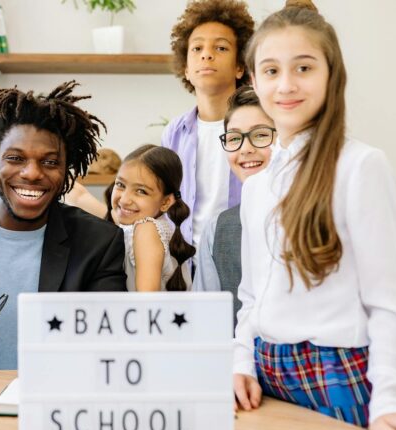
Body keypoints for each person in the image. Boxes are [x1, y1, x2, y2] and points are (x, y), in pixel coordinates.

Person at [231, 2, 396, 430]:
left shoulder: (360, 166)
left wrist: (391, 399)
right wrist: (240, 361)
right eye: (271, 70)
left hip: (335, 376)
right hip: (265, 376)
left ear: (332, 74)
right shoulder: (257, 185)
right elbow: (251, 296)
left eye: (304, 67)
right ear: (254, 80)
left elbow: (388, 303)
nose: (287, 84)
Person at [0, 81, 127, 376]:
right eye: (15, 158)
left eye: (50, 162)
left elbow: (110, 344)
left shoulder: (99, 242)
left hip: (55, 406)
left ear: (67, 170)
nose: (31, 173)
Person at [163, 0, 255, 252]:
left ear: (240, 67)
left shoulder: (260, 128)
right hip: (185, 261)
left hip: (242, 256)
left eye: (221, 47)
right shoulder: (174, 132)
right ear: (186, 69)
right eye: (197, 48)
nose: (206, 54)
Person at [192, 85, 275, 326]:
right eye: (234, 138)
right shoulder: (218, 228)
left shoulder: (322, 213)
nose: (246, 149)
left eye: (260, 135)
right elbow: (205, 324)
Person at [111, 145, 195, 291]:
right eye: (120, 184)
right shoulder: (146, 224)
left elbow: (147, 304)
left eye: (141, 191)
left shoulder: (146, 229)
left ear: (166, 202)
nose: (124, 200)